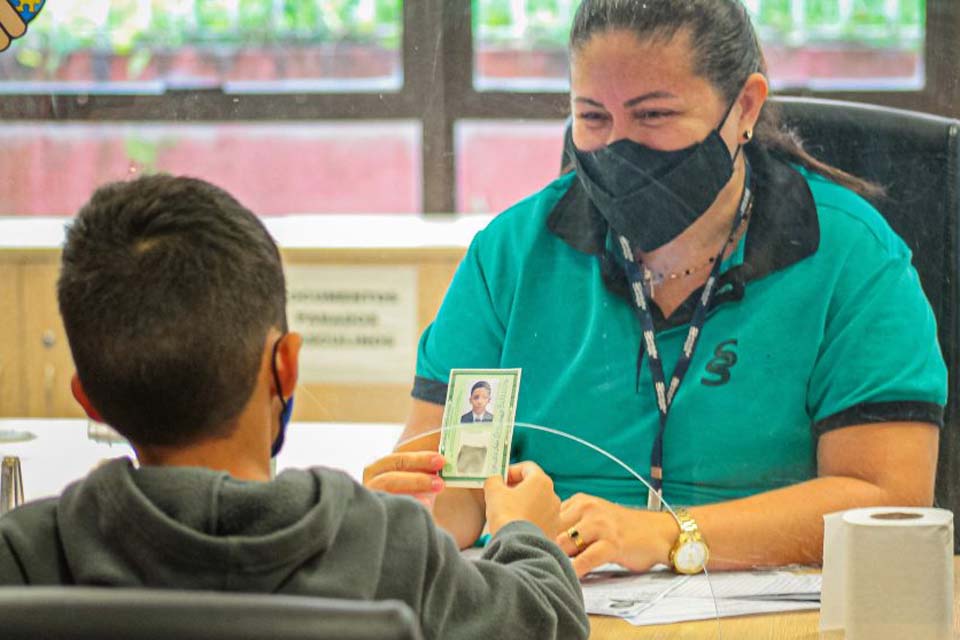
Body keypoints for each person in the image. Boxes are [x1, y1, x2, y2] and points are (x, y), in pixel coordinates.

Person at [365, 0, 947, 578]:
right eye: (593, 117)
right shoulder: (513, 255)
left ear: (744, 107)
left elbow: (886, 498)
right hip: (551, 598)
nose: (619, 147)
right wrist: (414, 514)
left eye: (653, 116)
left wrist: (667, 534)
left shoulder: (850, 256)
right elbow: (457, 481)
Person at [0, 175, 590, 640]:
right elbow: (545, 623)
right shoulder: (386, 548)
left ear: (91, 401)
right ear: (286, 365)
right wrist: (525, 531)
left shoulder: (25, 557)